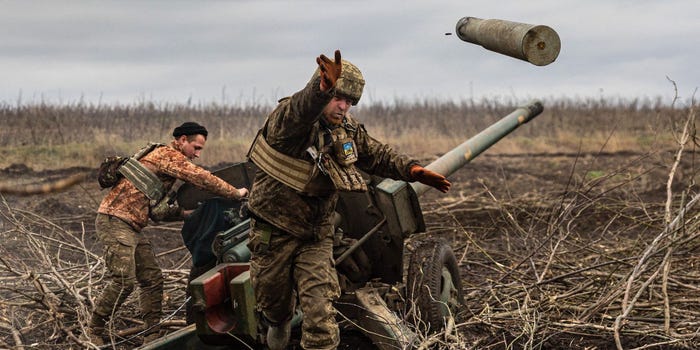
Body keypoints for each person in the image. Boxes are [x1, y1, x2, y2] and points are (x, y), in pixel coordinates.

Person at [246, 50, 451, 350]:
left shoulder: (346, 130)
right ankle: (278, 323)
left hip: (316, 235)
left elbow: (376, 155)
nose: (343, 106)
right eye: (338, 98)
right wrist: (320, 91)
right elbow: (302, 109)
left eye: (350, 101)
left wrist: (413, 170)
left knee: (321, 320)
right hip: (273, 231)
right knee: (274, 307)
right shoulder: (289, 122)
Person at [88, 122, 249, 346]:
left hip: (131, 226)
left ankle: (152, 335)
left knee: (152, 279)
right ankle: (94, 328)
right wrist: (235, 192)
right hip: (114, 221)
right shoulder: (167, 154)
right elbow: (200, 178)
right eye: (196, 147)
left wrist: (187, 213)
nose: (197, 154)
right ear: (182, 140)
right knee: (124, 281)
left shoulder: (162, 161)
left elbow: (157, 212)